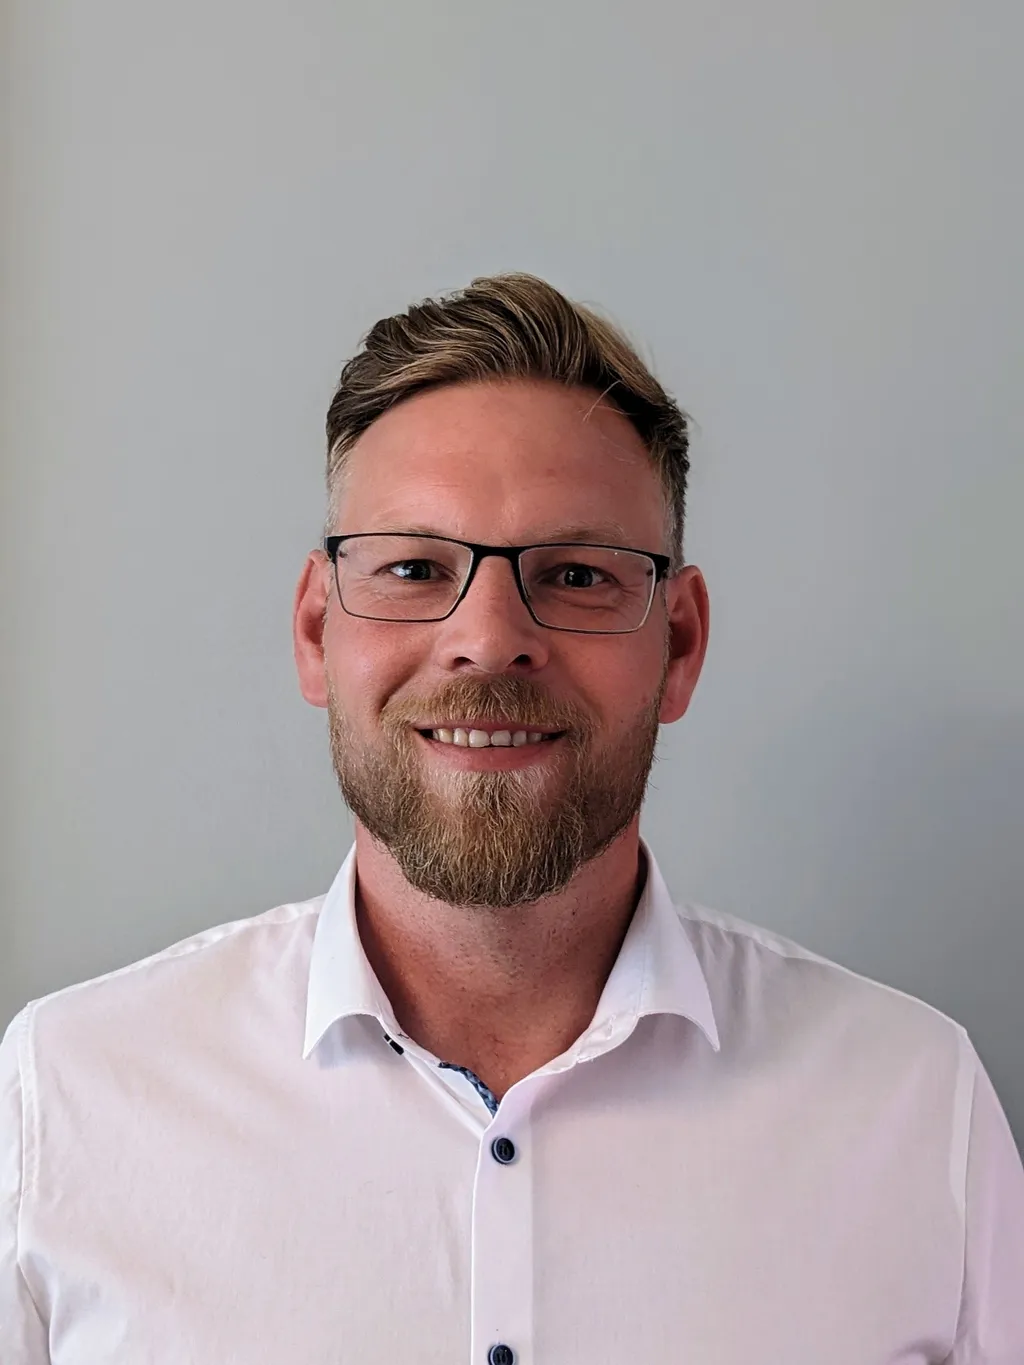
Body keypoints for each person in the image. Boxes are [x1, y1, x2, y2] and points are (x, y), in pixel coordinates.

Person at [2, 273, 1022, 1365]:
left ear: (679, 645)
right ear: (314, 631)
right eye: (412, 568)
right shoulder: (66, 1100)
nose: (488, 638)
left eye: (576, 574)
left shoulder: (916, 1109)